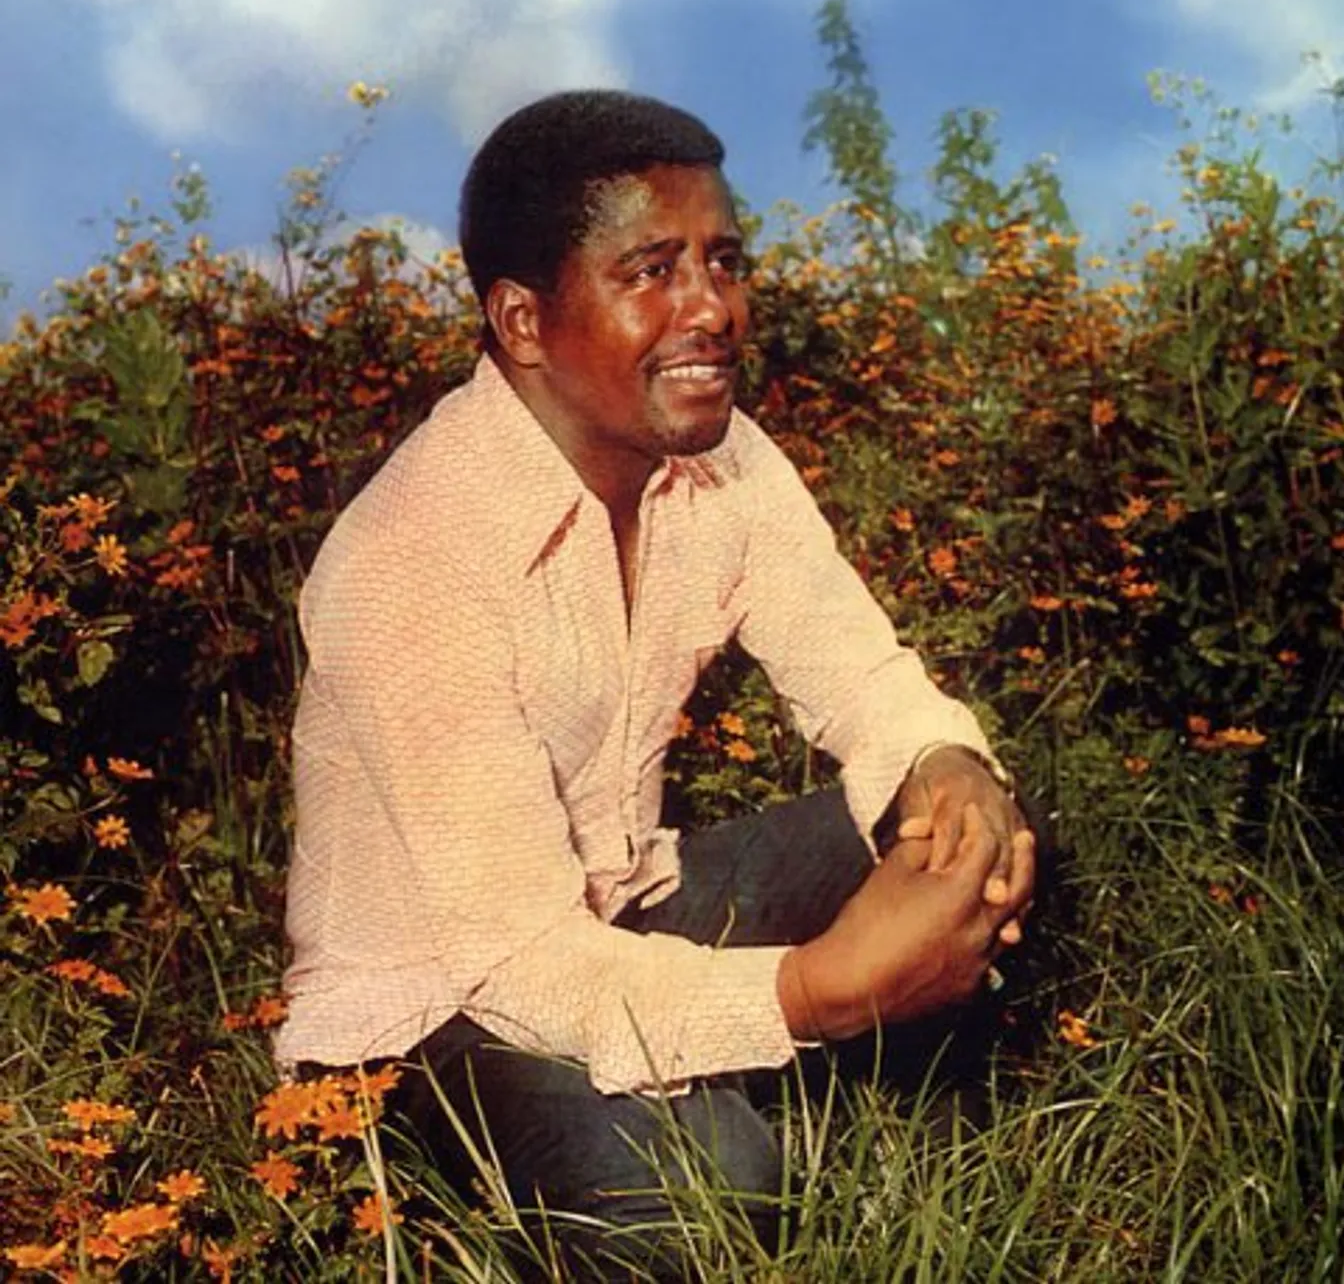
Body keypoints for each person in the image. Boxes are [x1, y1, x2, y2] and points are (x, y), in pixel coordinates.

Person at [275, 90, 1036, 1278]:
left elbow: (863, 675)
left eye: (722, 261)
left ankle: (772, 1070)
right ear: (522, 320)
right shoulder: (406, 558)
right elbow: (518, 964)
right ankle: (721, 1100)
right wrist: (818, 990)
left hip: (620, 904)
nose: (713, 311)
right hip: (424, 1025)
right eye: (651, 270)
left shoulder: (714, 452)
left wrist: (946, 769)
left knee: (964, 831)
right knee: (717, 1179)